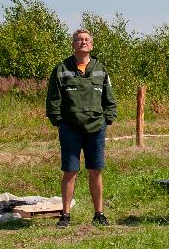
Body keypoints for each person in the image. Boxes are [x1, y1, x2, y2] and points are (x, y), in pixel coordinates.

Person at [45, 28, 117, 228]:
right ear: (73, 44)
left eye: (86, 40)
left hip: (96, 128)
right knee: (70, 171)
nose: (83, 42)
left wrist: (107, 119)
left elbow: (109, 98)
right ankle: (65, 215)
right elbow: (53, 99)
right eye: (79, 39)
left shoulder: (100, 69)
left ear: (91, 45)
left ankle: (99, 214)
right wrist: (59, 122)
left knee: (95, 171)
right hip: (70, 129)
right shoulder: (61, 69)